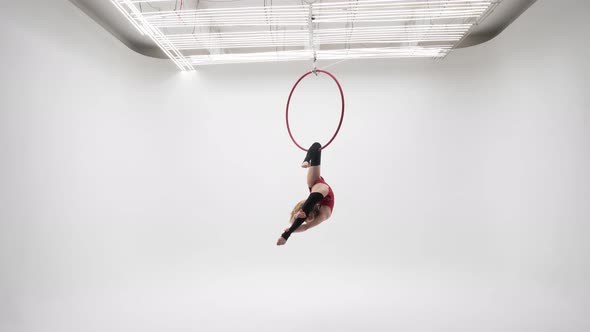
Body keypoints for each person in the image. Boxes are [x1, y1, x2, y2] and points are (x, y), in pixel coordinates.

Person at [277, 142, 334, 246]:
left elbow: (299, 218)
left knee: (317, 145)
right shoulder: (323, 215)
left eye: (305, 218)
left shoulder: (310, 203)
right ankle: (287, 235)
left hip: (315, 186)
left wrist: (295, 218)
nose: (306, 220)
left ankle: (306, 160)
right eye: (305, 219)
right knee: (315, 195)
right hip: (325, 191)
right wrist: (290, 231)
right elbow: (305, 227)